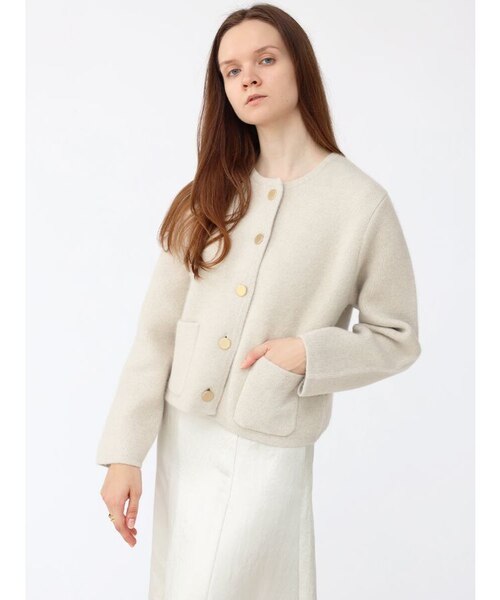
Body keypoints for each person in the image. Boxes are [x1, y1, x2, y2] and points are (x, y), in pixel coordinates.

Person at [96, 4, 422, 599]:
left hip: (269, 437)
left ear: (299, 67)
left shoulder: (360, 204)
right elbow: (156, 333)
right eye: (231, 70)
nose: (248, 77)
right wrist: (124, 453)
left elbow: (396, 337)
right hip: (185, 435)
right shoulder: (205, 194)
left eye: (265, 60)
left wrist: (307, 354)